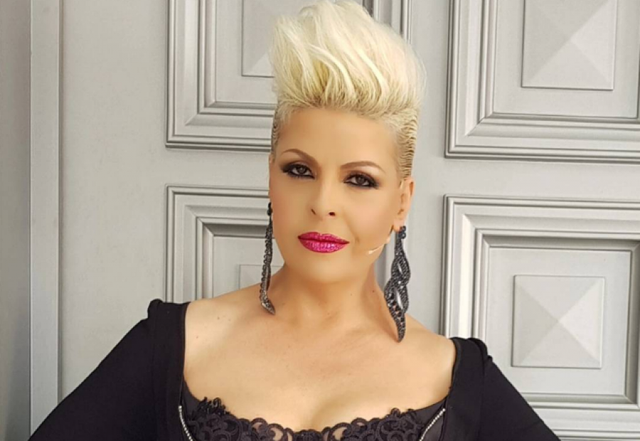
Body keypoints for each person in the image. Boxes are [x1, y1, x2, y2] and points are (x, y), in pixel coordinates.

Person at [29, 1, 561, 440]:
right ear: (271, 178)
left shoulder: (456, 377)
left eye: (360, 180)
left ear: (402, 203)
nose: (323, 202)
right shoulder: (175, 343)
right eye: (300, 170)